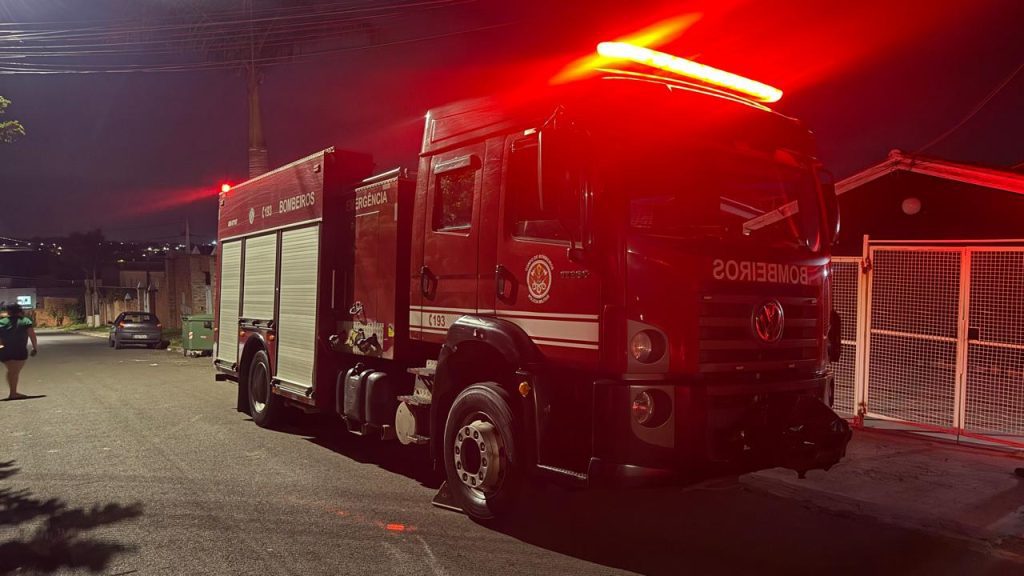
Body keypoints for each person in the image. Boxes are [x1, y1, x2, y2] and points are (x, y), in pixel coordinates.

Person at [0, 303, 38, 400]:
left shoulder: (2, 322)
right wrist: (35, 347)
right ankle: (13, 393)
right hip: (19, 350)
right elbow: (32, 335)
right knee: (14, 372)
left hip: (4, 350)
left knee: (11, 371)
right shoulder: (25, 321)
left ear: (8, 311)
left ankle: (13, 392)